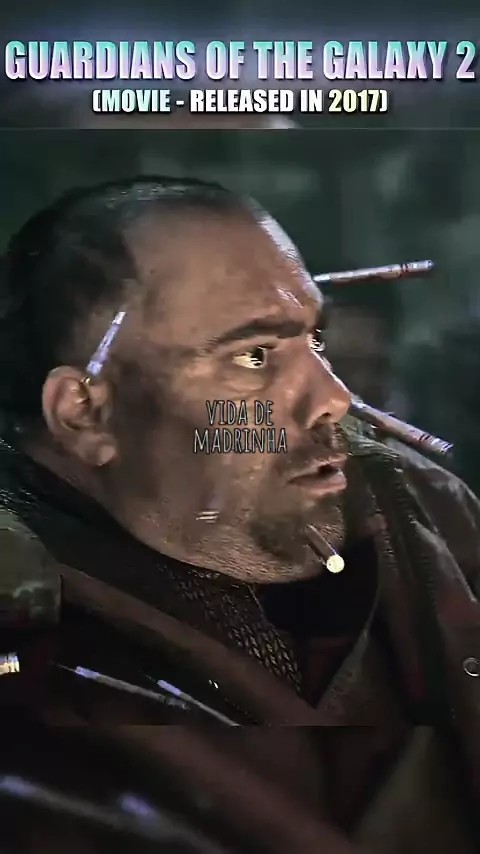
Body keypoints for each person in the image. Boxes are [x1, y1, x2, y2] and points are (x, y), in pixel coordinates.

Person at [0, 176, 479, 854]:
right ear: (86, 413)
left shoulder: (417, 505)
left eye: (315, 340)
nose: (335, 399)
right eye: (254, 355)